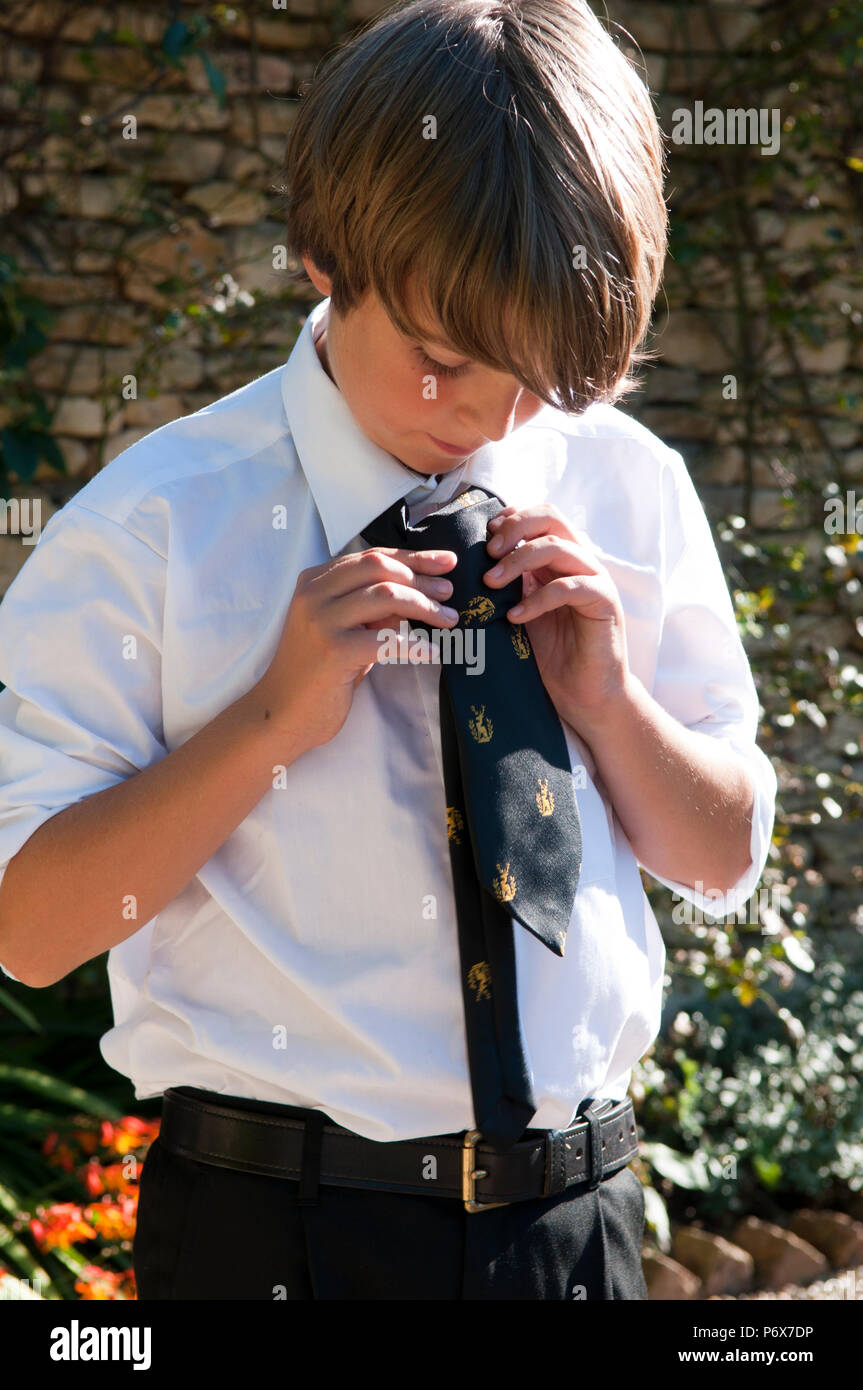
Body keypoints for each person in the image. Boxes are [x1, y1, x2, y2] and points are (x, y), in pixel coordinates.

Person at [0, 0, 776, 1300]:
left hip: (580, 1234)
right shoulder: (153, 529)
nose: (489, 415)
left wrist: (616, 703)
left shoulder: (627, 485)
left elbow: (724, 856)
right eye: (445, 359)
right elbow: (30, 931)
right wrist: (264, 729)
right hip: (276, 1240)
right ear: (321, 254)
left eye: (545, 376)